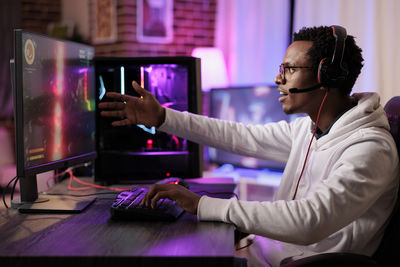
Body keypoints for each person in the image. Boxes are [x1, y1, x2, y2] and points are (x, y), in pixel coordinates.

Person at [98, 26, 399, 267]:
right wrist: (164, 118)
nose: (277, 78)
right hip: (265, 253)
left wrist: (202, 204)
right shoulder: (311, 131)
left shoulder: (370, 148)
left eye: (290, 69)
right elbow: (239, 136)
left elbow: (311, 221)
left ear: (325, 77)